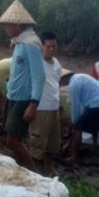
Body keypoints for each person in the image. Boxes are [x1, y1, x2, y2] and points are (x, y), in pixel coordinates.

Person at [0, 0, 45, 171]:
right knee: (11, 138)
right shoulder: (18, 43)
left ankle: (34, 174)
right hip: (13, 96)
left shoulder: (31, 44)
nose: (6, 29)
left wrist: (33, 104)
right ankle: (22, 170)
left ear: (17, 24)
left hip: (24, 99)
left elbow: (39, 75)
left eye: (7, 25)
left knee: (12, 140)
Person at [60, 72, 99, 165]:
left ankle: (74, 157)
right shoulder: (81, 76)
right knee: (94, 125)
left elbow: (76, 106)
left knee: (78, 128)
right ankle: (95, 148)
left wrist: (74, 123)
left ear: (65, 78)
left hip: (98, 103)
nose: (61, 85)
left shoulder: (73, 85)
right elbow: (84, 105)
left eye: (60, 81)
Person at [29, 31, 62, 174]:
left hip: (53, 107)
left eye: (54, 46)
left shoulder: (56, 63)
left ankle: (50, 167)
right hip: (41, 107)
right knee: (38, 141)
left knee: (52, 142)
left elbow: (56, 82)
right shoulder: (37, 63)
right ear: (41, 46)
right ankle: (33, 170)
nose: (52, 49)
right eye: (48, 46)